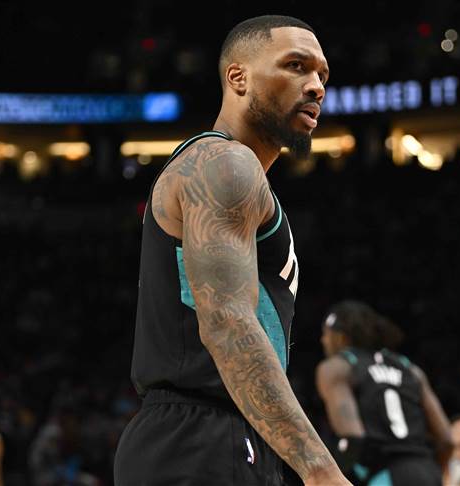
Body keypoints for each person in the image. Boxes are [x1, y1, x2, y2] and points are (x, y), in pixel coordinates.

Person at [114, 14, 350, 486]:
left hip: (221, 435)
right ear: (238, 78)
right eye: (296, 66)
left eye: (322, 74)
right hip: (201, 437)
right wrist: (321, 470)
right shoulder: (224, 162)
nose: (316, 86)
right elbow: (227, 322)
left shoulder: (236, 172)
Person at [315, 301, 453, 486]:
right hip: (428, 471)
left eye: (325, 334)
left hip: (385, 475)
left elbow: (353, 438)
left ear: (340, 338)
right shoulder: (410, 368)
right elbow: (447, 440)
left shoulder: (337, 367)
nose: (323, 340)